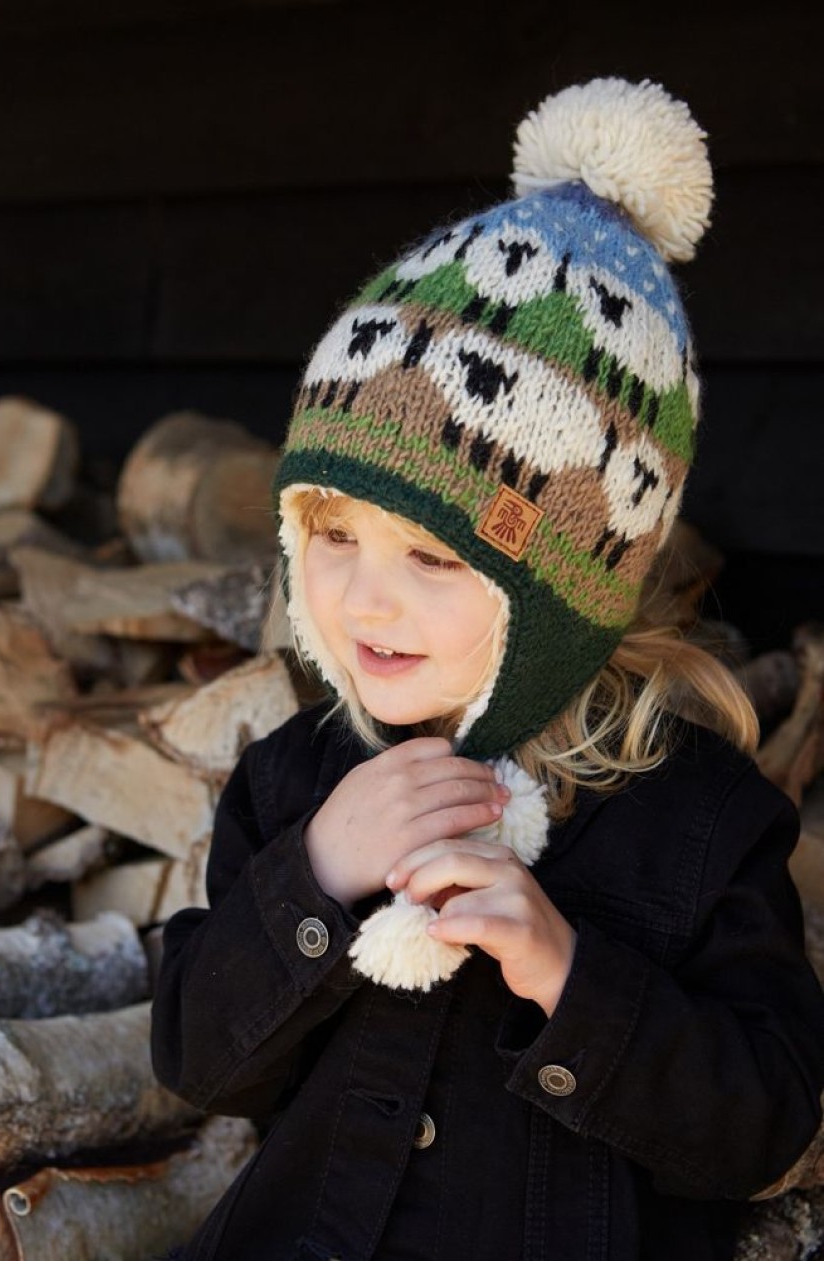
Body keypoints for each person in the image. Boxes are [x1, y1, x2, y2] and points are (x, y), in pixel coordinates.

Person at [150, 77, 824, 1260]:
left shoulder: (701, 820)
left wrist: (570, 976)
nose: (365, 595)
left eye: (432, 554)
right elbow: (203, 1063)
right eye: (334, 534)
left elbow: (762, 1119)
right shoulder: (297, 784)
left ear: (568, 588)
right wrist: (313, 879)